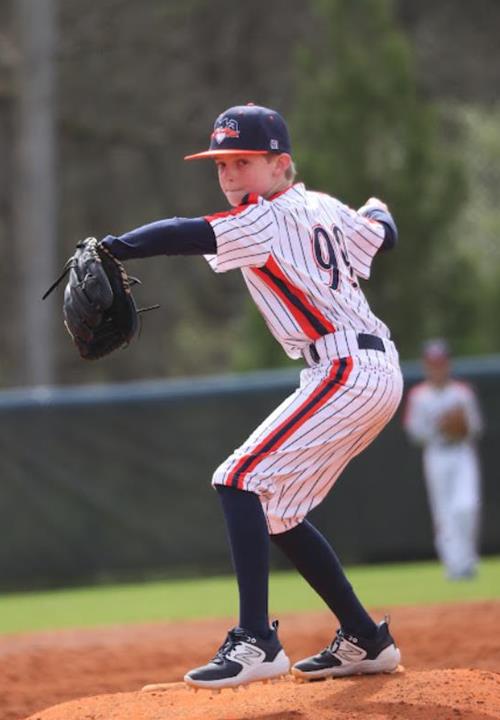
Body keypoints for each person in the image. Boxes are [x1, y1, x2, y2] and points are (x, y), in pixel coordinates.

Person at [100, 103, 404, 689]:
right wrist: (378, 208)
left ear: (280, 165)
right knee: (278, 510)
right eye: (222, 164)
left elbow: (191, 233)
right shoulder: (324, 208)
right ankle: (365, 637)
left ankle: (256, 641)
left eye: (244, 161)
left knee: (237, 478)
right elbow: (381, 235)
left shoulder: (264, 218)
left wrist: (116, 246)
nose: (231, 174)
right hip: (361, 368)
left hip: (346, 367)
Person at [403, 339, 483, 580]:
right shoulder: (419, 396)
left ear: (447, 364)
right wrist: (441, 427)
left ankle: (467, 561)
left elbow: (476, 428)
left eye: (441, 363)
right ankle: (454, 566)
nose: (437, 368)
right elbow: (414, 432)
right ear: (427, 366)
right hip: (436, 454)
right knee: (444, 513)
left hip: (462, 452)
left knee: (467, 507)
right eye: (432, 364)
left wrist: (461, 427)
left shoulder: (462, 393)